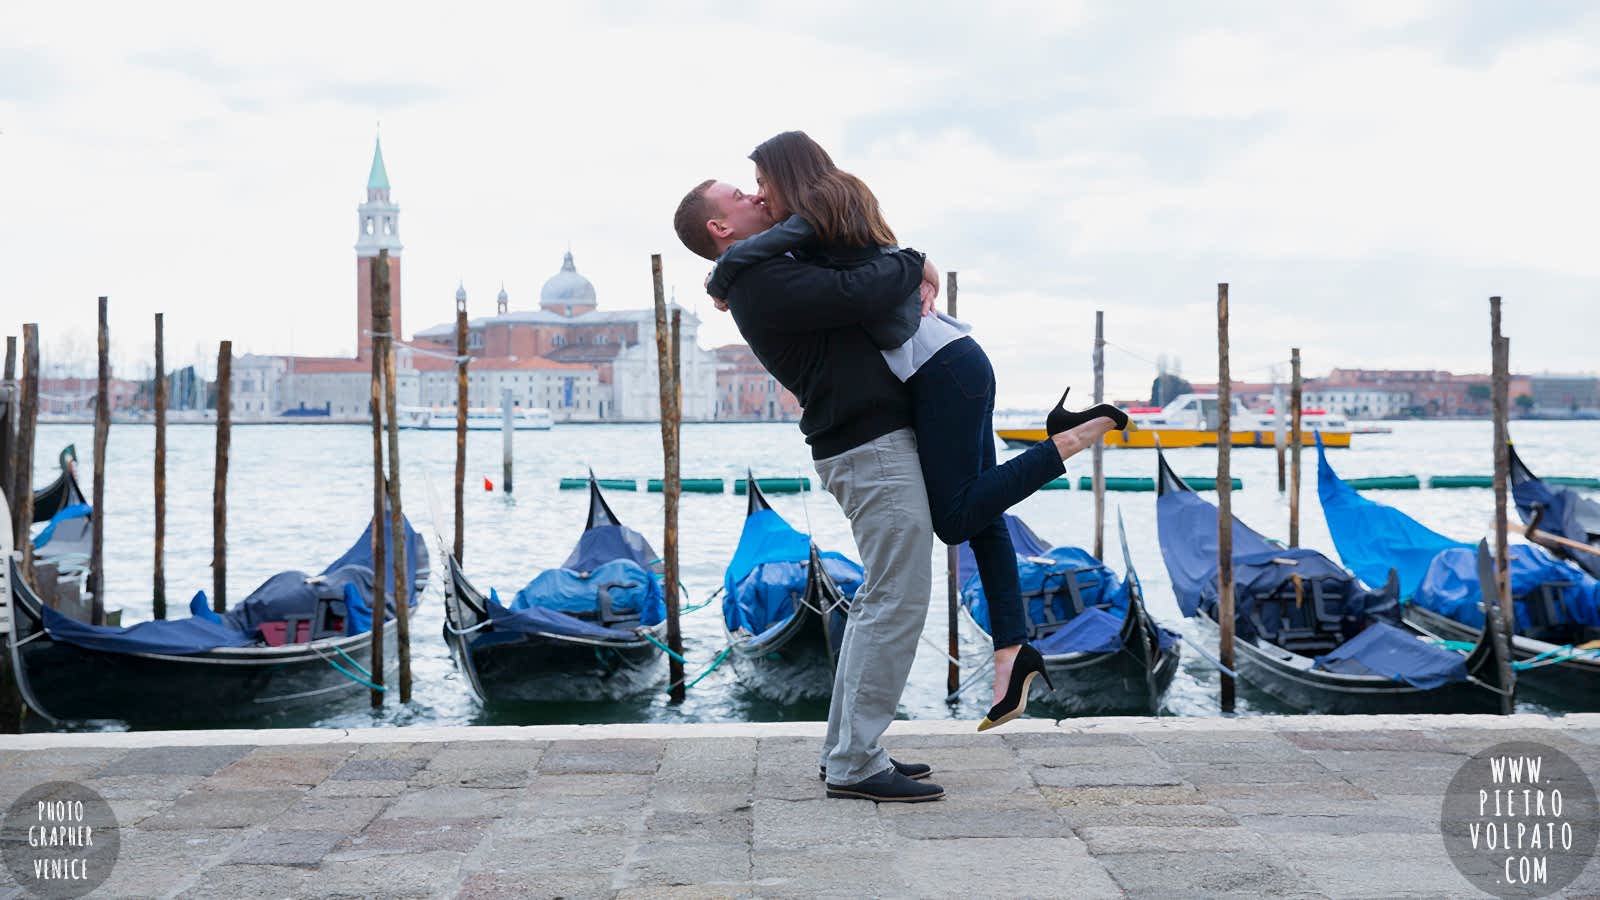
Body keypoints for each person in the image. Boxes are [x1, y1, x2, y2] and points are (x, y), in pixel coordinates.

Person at [704, 131, 1127, 731]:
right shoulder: (815, 222)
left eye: (762, 184)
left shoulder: (818, 209)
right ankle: (1012, 652)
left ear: (788, 173)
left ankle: (1066, 440)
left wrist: (722, 275)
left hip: (940, 367)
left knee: (955, 518)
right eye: (749, 193)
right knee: (980, 517)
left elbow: (849, 271)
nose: (759, 196)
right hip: (945, 362)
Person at [675, 179, 946, 803]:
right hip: (868, 444)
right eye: (740, 195)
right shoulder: (763, 282)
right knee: (897, 599)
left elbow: (834, 245)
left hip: (863, 442)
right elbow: (864, 287)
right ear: (721, 228)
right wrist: (914, 260)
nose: (755, 196)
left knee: (881, 598)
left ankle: (849, 750)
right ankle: (855, 763)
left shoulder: (765, 269)